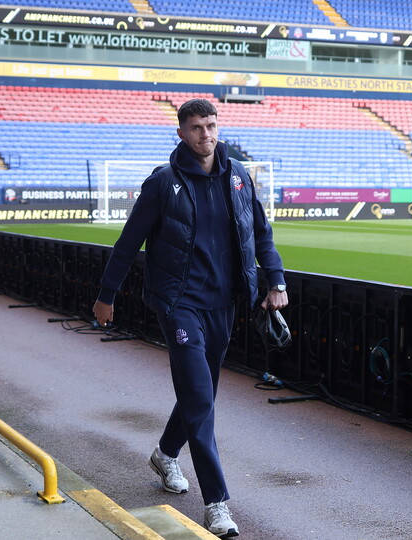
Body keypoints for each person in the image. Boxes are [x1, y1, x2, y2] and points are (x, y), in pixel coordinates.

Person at [92, 98, 288, 538]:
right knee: (201, 399)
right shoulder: (163, 183)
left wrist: (275, 280)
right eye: (196, 127)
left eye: (211, 125)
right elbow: (128, 243)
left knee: (202, 393)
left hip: (225, 303)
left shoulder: (238, 177)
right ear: (181, 133)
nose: (206, 134)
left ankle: (165, 454)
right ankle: (217, 504)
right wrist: (106, 296)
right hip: (179, 303)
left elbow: (261, 232)